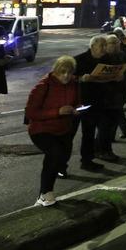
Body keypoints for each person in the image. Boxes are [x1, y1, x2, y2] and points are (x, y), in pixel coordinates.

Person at [24, 56, 81, 207]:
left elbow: (76, 101)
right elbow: (30, 112)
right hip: (41, 129)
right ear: (55, 71)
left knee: (62, 156)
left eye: (69, 72)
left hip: (63, 128)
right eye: (62, 72)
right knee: (54, 154)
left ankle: (46, 190)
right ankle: (45, 193)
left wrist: (76, 109)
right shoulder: (43, 86)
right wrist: (57, 112)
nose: (66, 76)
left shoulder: (73, 84)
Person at [73, 35, 113, 172]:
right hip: (84, 101)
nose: (104, 48)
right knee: (87, 132)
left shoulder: (107, 59)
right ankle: (85, 161)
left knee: (104, 128)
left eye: (105, 45)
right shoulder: (79, 60)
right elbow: (68, 79)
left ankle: (94, 155)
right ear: (92, 47)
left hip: (102, 100)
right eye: (101, 45)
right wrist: (81, 78)